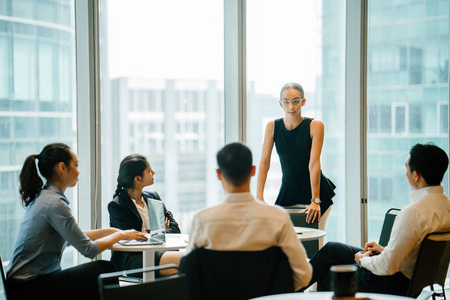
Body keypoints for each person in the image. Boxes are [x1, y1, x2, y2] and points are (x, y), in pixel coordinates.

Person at [302, 143, 450, 296]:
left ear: (416, 175)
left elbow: (387, 266)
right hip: (412, 280)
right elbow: (417, 256)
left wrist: (361, 260)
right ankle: (292, 289)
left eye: (407, 167)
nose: (405, 173)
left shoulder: (414, 213)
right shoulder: (447, 207)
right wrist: (383, 250)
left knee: (331, 275)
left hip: (391, 284)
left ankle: (288, 292)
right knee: (332, 249)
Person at [6, 143, 146, 300]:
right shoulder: (54, 203)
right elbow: (89, 250)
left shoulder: (46, 197)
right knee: (104, 269)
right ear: (62, 168)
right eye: (76, 165)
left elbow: (73, 237)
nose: (79, 171)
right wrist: (120, 236)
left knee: (94, 278)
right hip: (29, 287)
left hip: (25, 284)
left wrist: (113, 231)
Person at [187, 142, 312, 291]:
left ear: (219, 174)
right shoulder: (278, 218)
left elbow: (189, 273)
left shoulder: (202, 220)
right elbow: (304, 274)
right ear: (253, 171)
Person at [257, 82, 336, 232]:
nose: (291, 107)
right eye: (286, 102)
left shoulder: (315, 126)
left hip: (317, 193)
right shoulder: (272, 127)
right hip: (288, 191)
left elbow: (314, 164)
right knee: (281, 239)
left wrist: (315, 200)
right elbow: (264, 163)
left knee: (314, 243)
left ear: (303, 102)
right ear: (281, 104)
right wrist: (259, 196)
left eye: (295, 101)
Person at [108, 154, 183, 277]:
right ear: (138, 179)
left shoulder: (153, 197)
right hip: (135, 259)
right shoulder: (117, 206)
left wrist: (152, 233)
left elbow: (175, 229)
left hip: (161, 252)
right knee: (186, 262)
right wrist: (158, 230)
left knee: (187, 269)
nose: (153, 172)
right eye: (149, 170)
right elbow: (133, 238)